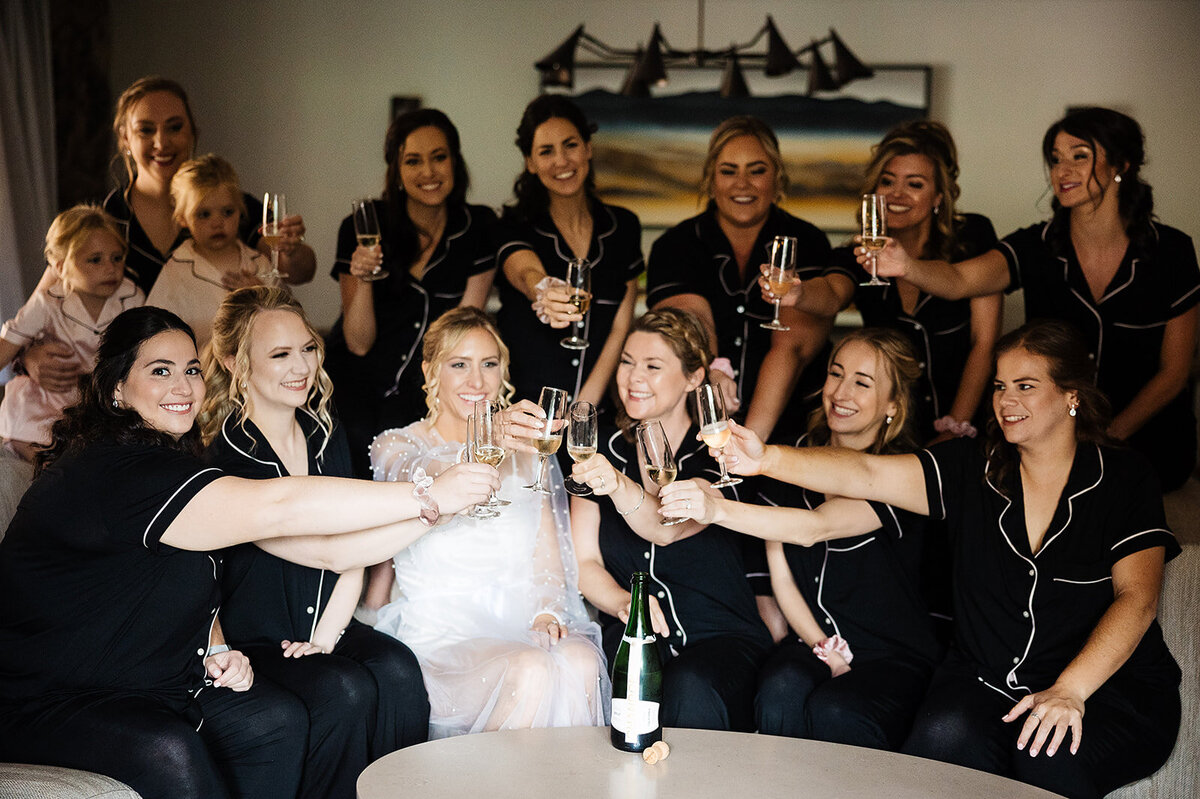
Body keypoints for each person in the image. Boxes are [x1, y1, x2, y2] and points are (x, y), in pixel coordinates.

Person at [0, 306, 498, 799]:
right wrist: (428, 494)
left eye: (191, 369)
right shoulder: (117, 469)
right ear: (115, 388)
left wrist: (215, 644)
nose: (183, 385)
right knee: (171, 747)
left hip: (149, 679)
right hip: (49, 696)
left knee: (273, 720)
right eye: (160, 371)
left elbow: (187, 576)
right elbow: (279, 507)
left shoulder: (171, 459)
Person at [716, 319, 1181, 799]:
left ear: (1071, 396)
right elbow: (869, 472)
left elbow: (1138, 599)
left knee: (1047, 755)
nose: (1006, 400)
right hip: (986, 682)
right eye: (1000, 386)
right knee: (936, 743)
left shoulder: (1124, 478)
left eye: (1026, 386)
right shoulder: (970, 465)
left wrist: (1070, 691)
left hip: (1104, 692)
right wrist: (765, 459)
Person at [863, 107, 1199, 489]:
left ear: (1120, 164)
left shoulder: (1171, 251)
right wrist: (905, 265)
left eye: (1079, 156)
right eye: (1055, 160)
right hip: (1053, 446)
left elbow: (1174, 373)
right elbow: (959, 279)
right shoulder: (1035, 246)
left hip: (1152, 445)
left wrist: (1109, 436)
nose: (1062, 171)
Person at [658, 328, 939, 750]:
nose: (841, 393)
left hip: (889, 653)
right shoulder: (791, 462)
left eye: (862, 383)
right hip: (813, 637)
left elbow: (813, 528)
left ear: (893, 405)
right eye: (835, 374)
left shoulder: (903, 476)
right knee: (780, 687)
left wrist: (715, 509)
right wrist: (823, 647)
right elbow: (782, 577)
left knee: (838, 709)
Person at [201, 287, 430, 799]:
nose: (300, 366)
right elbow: (328, 550)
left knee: (398, 670)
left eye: (307, 348)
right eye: (280, 354)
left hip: (327, 622)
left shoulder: (325, 431)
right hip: (257, 637)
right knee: (342, 690)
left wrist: (328, 634)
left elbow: (352, 541)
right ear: (233, 361)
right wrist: (434, 502)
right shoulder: (228, 457)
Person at [370, 306, 608, 738]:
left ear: (504, 372)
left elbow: (550, 560)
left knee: (582, 661)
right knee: (530, 668)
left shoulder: (530, 452)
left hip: (521, 620)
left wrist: (545, 613)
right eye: (459, 365)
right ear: (430, 371)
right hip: (442, 631)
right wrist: (484, 440)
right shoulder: (396, 445)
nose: (476, 381)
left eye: (489, 365)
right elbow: (420, 477)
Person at [21, 76, 316, 399]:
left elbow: (299, 271)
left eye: (174, 127)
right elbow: (45, 297)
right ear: (125, 139)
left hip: (225, 374)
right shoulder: (106, 220)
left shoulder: (229, 206)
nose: (161, 142)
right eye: (146, 130)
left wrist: (291, 250)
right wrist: (28, 356)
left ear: (193, 134)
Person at [322, 109, 499, 611]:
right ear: (395, 169)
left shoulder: (478, 226)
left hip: (424, 390)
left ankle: (381, 601)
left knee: (413, 484)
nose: (428, 172)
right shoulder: (364, 225)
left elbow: (466, 327)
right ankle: (338, 601)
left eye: (439, 157)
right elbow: (356, 342)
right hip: (353, 384)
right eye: (413, 160)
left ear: (455, 162)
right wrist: (362, 281)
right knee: (351, 466)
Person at [566, 308, 772, 732]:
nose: (632, 377)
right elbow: (584, 563)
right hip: (630, 637)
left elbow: (667, 527)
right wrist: (623, 603)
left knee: (688, 688)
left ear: (695, 377)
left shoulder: (722, 452)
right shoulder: (600, 449)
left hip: (719, 637)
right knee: (619, 685)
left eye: (653, 366)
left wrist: (617, 484)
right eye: (626, 362)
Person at [776, 121, 1001, 441]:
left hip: (967, 425)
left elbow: (984, 342)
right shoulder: (857, 251)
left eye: (915, 184)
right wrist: (798, 293)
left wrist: (955, 426)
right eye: (887, 181)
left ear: (938, 195)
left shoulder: (973, 236)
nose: (897, 194)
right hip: (891, 432)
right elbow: (832, 292)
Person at [646, 115, 843, 441]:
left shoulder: (808, 242)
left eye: (757, 170)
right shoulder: (674, 245)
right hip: (700, 425)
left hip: (792, 430)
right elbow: (688, 322)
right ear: (710, 180)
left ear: (777, 179)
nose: (742, 184)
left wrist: (750, 447)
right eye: (728, 171)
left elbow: (791, 346)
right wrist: (714, 371)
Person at [495, 94, 642, 406]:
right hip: (526, 412)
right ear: (530, 163)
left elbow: (620, 326)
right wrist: (543, 290)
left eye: (570, 145)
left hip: (595, 410)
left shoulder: (624, 226)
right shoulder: (512, 223)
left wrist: (583, 408)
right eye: (546, 151)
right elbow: (524, 271)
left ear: (587, 148)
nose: (561, 161)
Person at [0, 205, 143, 464]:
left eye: (117, 257)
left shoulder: (131, 298)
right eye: (95, 260)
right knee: (42, 449)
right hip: (48, 397)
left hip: (96, 400)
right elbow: (6, 347)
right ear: (60, 266)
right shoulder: (47, 302)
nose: (111, 268)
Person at [147, 154, 274, 350]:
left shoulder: (259, 264)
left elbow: (284, 322)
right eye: (204, 214)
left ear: (241, 211)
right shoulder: (175, 270)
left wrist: (261, 296)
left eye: (227, 212)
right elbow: (152, 331)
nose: (217, 223)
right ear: (183, 218)